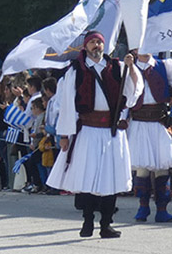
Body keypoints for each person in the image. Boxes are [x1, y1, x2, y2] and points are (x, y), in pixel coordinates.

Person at [46, 31, 140, 238]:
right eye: (93, 43)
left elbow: (133, 92)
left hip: (112, 132)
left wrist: (131, 67)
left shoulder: (117, 67)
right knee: (86, 178)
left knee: (111, 178)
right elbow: (67, 105)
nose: (97, 46)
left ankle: (106, 224)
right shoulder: (76, 70)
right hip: (87, 130)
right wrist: (64, 135)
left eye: (99, 42)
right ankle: (87, 221)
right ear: (85, 47)